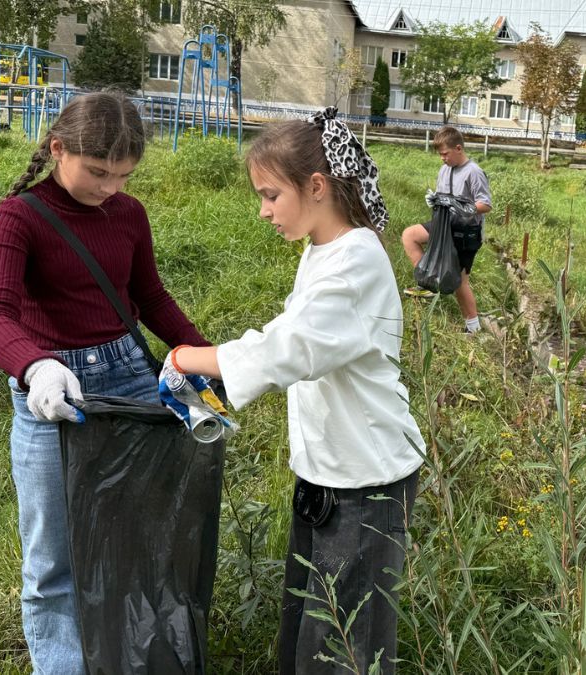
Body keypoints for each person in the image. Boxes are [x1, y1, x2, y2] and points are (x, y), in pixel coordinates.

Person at [162, 108, 424, 675]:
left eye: (270, 194)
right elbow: (295, 344)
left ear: (316, 186)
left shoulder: (356, 259)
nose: (263, 210)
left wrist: (190, 357)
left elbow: (290, 348)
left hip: (366, 483)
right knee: (311, 630)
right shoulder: (323, 250)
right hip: (330, 476)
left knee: (344, 648)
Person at [0, 91, 212, 673]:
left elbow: (149, 297)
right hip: (54, 394)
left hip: (128, 377)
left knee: (137, 538)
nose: (110, 187)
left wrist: (205, 357)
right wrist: (34, 365)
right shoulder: (18, 217)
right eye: (98, 172)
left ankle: (131, 659)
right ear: (58, 149)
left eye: (124, 175)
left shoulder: (128, 214)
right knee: (55, 558)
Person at [401, 126, 492, 334]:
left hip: (466, 232)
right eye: (440, 155)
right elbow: (443, 198)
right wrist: (435, 201)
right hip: (443, 225)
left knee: (458, 281)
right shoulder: (444, 170)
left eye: (445, 154)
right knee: (410, 235)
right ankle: (428, 281)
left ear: (458, 148)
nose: (442, 158)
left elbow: (485, 205)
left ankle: (473, 328)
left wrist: (461, 207)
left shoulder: (474, 172)